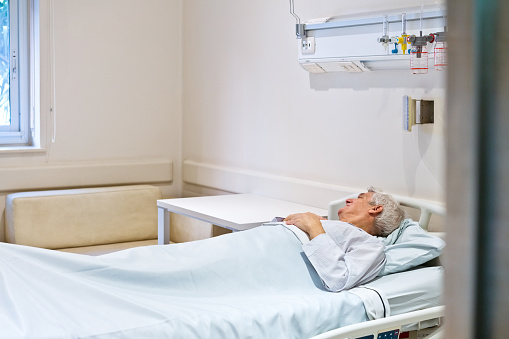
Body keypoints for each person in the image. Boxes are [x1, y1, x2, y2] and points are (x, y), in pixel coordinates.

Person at [283, 186, 405, 292]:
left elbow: (338, 279)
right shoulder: (324, 224)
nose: (348, 199)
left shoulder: (371, 244)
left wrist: (314, 227)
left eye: (360, 198)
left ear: (375, 209)